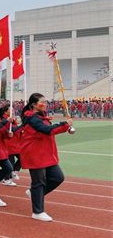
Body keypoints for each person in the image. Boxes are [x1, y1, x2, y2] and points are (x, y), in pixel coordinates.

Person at [20, 93, 71, 222]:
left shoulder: (39, 117)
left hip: (46, 153)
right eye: (42, 102)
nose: (45, 104)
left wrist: (61, 124)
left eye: (46, 101)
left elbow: (46, 127)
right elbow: (47, 130)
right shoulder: (32, 118)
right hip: (35, 153)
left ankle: (34, 194)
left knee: (58, 177)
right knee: (39, 182)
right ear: (34, 104)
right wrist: (65, 125)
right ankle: (37, 211)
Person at [1, 104, 22, 184]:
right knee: (11, 161)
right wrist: (22, 126)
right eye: (10, 110)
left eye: (13, 110)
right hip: (8, 144)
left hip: (15, 144)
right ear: (6, 111)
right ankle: (6, 178)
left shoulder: (13, 119)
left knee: (22, 158)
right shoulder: (5, 119)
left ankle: (14, 171)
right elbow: (13, 129)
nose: (12, 111)